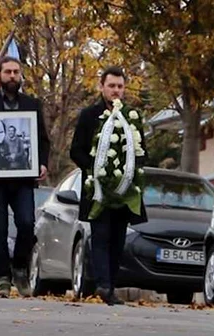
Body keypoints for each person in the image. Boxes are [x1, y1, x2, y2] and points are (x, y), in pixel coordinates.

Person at [0, 56, 50, 298]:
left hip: (24, 179)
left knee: (26, 223)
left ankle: (20, 269)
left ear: (21, 76)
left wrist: (43, 163)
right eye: (8, 72)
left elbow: (42, 140)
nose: (12, 76)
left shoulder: (33, 104)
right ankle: (2, 277)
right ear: (0, 76)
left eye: (16, 72)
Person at [70, 66, 148, 305]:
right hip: (99, 190)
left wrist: (129, 173)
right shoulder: (89, 115)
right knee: (101, 235)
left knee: (117, 239)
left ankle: (111, 285)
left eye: (120, 86)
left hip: (124, 190)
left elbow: (142, 150)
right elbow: (76, 150)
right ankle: (103, 284)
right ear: (101, 87)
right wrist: (96, 172)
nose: (115, 91)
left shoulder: (132, 116)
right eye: (111, 86)